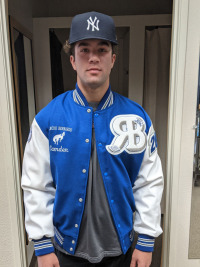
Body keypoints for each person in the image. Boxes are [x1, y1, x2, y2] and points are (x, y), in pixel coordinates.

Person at [21, 11, 164, 267]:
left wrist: (146, 240)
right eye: (84, 49)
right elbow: (36, 185)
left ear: (113, 59)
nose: (93, 57)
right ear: (73, 60)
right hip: (66, 250)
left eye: (102, 49)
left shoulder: (137, 118)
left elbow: (149, 181)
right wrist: (42, 246)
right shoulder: (48, 119)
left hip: (121, 249)